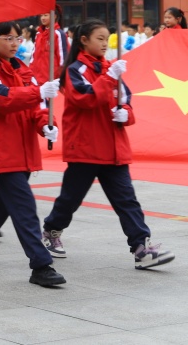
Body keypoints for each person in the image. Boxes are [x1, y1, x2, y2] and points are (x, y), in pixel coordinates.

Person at [40, 19, 174, 270]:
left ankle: (141, 248)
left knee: (127, 200)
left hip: (114, 147)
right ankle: (51, 229)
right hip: (86, 148)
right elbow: (85, 99)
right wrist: (108, 77)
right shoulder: (75, 70)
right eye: (99, 38)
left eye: (106, 39)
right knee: (71, 199)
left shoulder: (112, 68)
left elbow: (125, 98)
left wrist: (126, 112)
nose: (105, 43)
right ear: (84, 40)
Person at [0, 21, 66, 287]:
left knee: (5, 202)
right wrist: (36, 92)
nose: (14, 43)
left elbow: (36, 108)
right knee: (24, 207)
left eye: (17, 38)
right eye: (8, 38)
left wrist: (46, 124)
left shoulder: (24, 71)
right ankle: (40, 265)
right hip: (1, 150)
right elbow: (1, 98)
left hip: (23, 150)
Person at [30, 9, 67, 85]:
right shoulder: (38, 34)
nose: (42, 18)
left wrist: (59, 80)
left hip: (52, 81)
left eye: (45, 15)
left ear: (54, 16)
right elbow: (33, 57)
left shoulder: (59, 34)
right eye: (41, 15)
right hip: (36, 80)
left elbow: (63, 60)